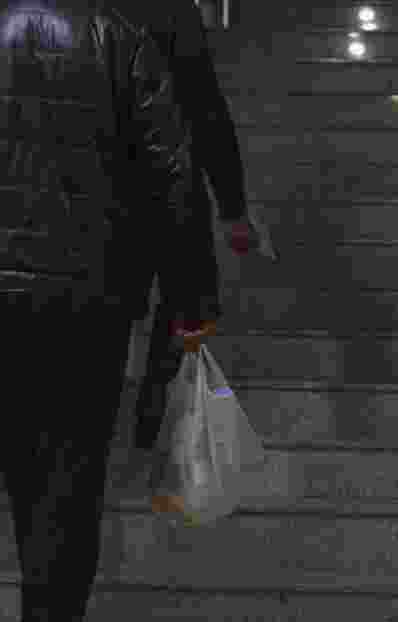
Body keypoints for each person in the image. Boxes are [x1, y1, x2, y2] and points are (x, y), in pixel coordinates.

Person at [0, 3, 209, 622]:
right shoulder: (122, 36)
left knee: (24, 457)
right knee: (73, 462)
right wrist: (190, 291)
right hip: (88, 283)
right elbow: (171, 168)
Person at [127, 0, 252, 462]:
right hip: (169, 184)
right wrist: (233, 206)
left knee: (108, 309)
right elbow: (205, 107)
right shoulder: (170, 12)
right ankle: (154, 420)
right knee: (185, 301)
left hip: (97, 190)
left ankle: (104, 426)